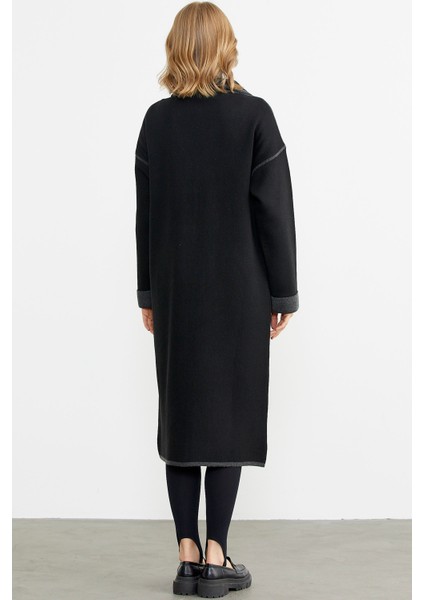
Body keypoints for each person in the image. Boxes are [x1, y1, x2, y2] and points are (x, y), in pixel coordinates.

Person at [134, 2, 299, 596]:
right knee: (228, 414)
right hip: (240, 290)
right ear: (227, 46)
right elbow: (274, 212)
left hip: (177, 292)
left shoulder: (156, 122)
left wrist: (148, 291)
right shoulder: (254, 116)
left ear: (176, 48)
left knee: (182, 415)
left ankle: (186, 558)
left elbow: (146, 216)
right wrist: (283, 292)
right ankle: (216, 555)